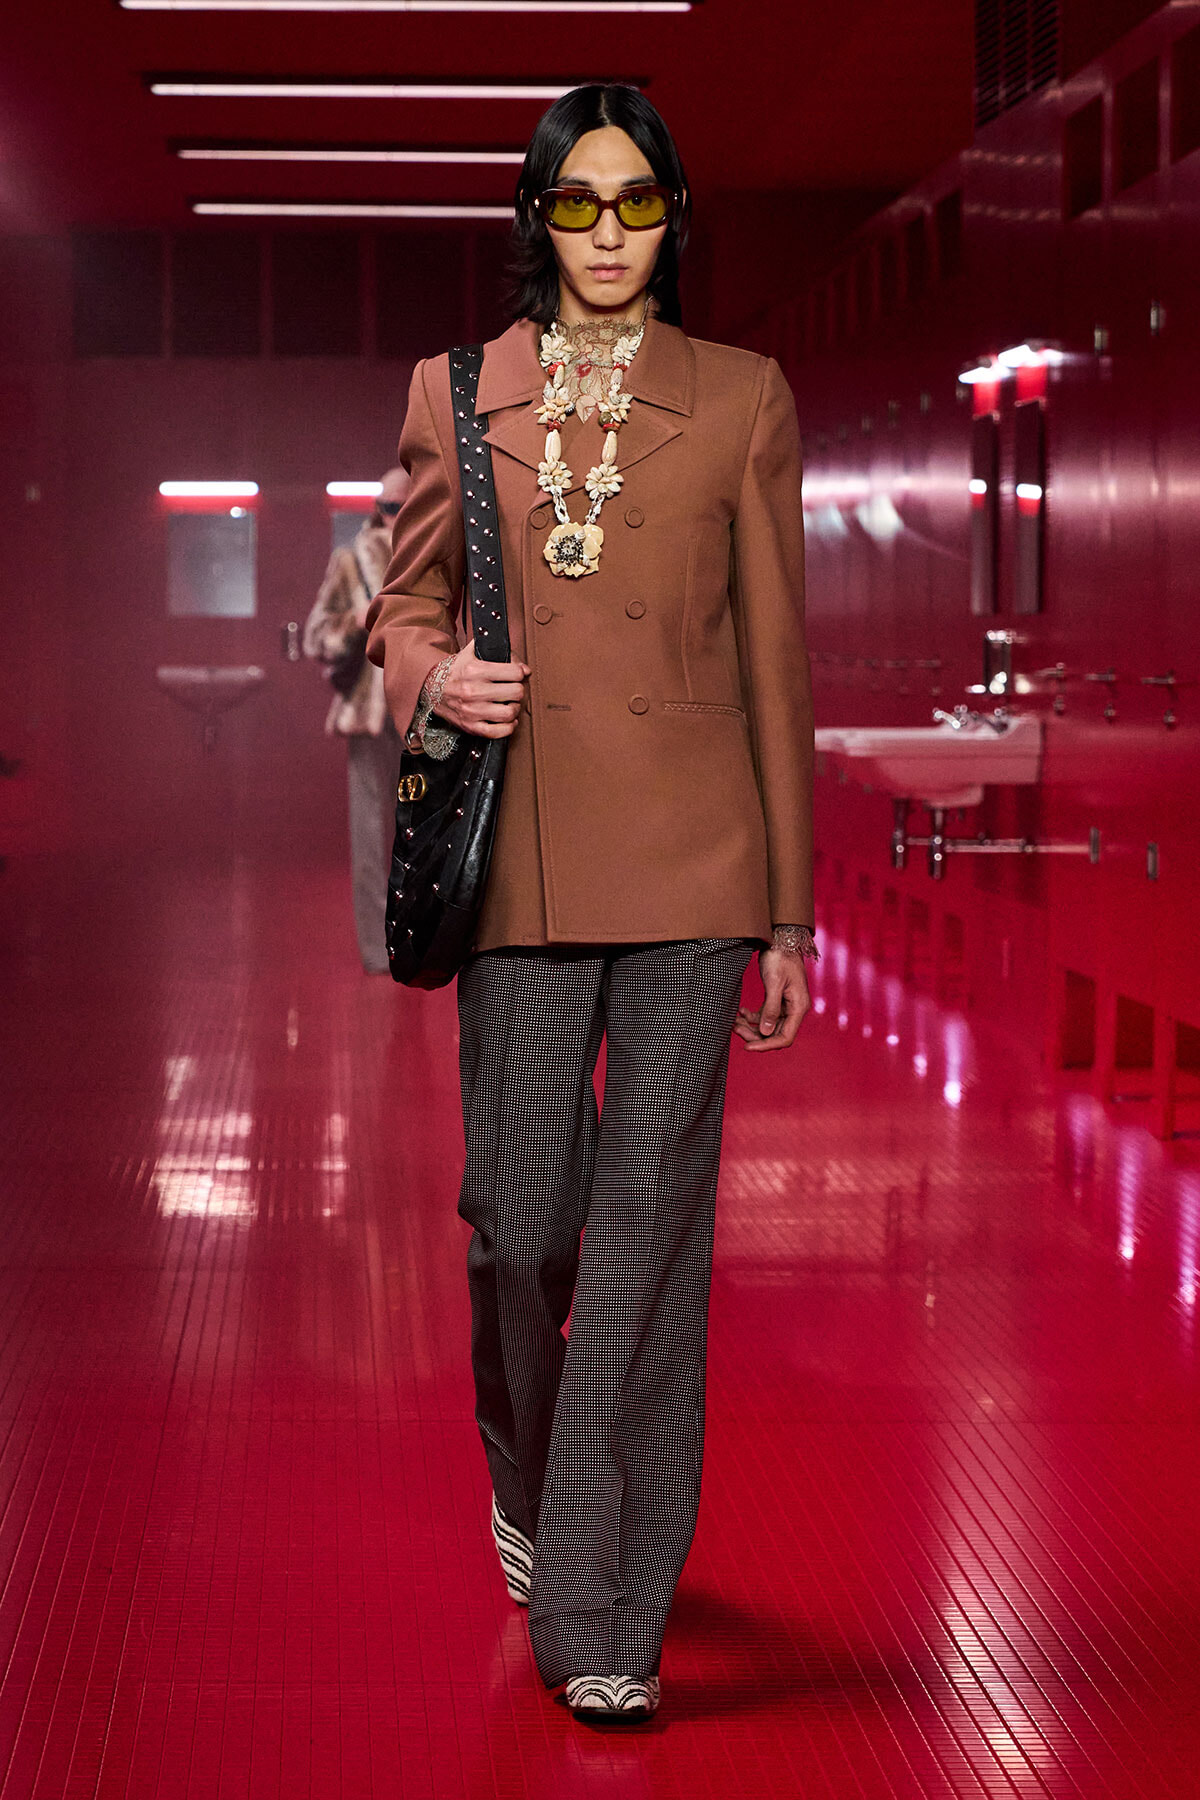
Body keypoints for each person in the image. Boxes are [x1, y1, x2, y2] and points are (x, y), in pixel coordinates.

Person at [365, 84, 816, 1724]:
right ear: (538, 218)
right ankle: (536, 1482)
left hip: (697, 864)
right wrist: (437, 672)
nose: (610, 236)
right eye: (581, 204)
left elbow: (775, 661)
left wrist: (789, 910)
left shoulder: (744, 398)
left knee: (640, 1246)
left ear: (670, 220)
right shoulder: (456, 392)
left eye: (638, 206)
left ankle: (604, 1616)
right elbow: (398, 600)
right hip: (530, 864)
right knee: (522, 1225)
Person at [304, 467, 410, 974]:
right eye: (387, 508)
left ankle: (421, 943)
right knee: (371, 837)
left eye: (403, 508)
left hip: (428, 714)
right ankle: (377, 950)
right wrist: (363, 618)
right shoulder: (351, 559)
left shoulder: (436, 554)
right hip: (370, 716)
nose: (393, 518)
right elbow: (315, 637)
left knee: (427, 835)